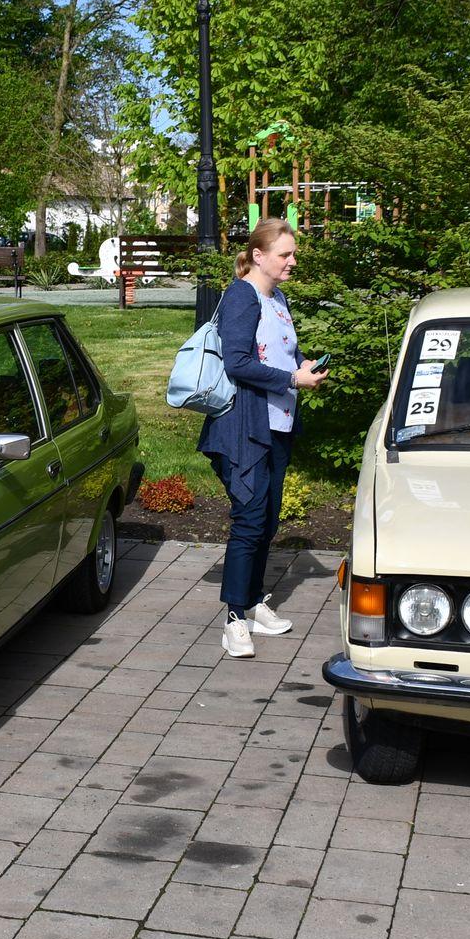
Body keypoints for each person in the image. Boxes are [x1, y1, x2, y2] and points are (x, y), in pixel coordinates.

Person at [198, 218, 328, 658]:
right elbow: (236, 362)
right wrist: (292, 378)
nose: (292, 262)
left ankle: (253, 604)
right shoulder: (242, 296)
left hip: (278, 424)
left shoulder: (277, 298)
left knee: (268, 520)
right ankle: (234, 619)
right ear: (258, 256)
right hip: (245, 427)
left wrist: (304, 365)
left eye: (293, 254)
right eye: (284, 255)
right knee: (250, 520)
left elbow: (282, 351)